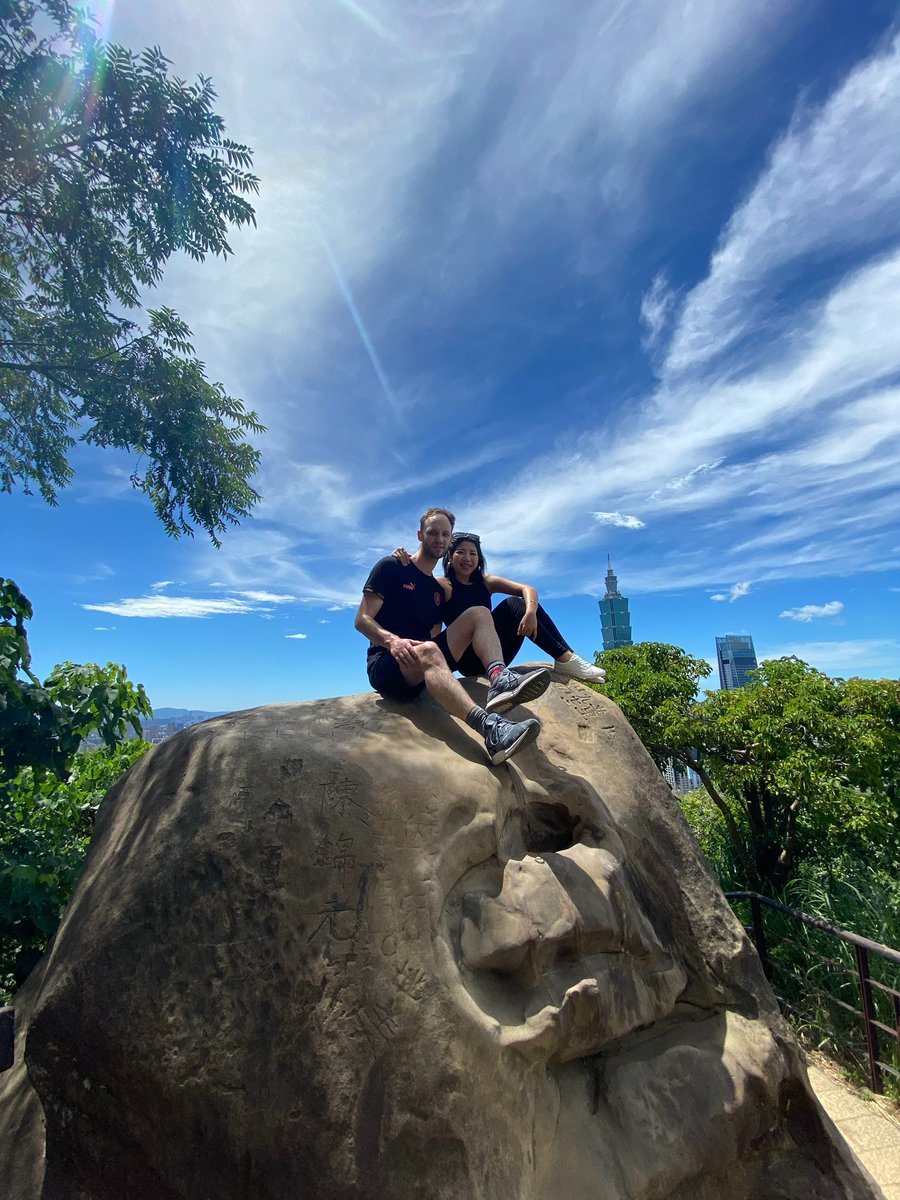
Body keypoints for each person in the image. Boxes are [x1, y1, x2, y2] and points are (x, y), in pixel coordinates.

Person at [354, 507, 553, 765]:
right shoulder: (392, 566)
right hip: (388, 663)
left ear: (449, 541)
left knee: (480, 613)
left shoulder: (438, 588)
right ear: (420, 535)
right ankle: (491, 729)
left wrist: (442, 674)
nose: (438, 538)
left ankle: (499, 679)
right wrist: (392, 641)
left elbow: (437, 633)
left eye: (445, 534)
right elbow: (362, 619)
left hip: (424, 662)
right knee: (428, 649)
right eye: (432, 532)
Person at [395, 532, 606, 682]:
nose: (467, 558)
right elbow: (428, 608)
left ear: (479, 559)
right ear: (450, 557)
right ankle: (565, 658)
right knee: (511, 604)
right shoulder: (443, 586)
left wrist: (531, 611)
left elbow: (528, 588)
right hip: (469, 660)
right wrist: (402, 560)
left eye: (473, 553)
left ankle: (565, 657)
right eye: (461, 552)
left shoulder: (486, 582)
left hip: (495, 651)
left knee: (517, 604)